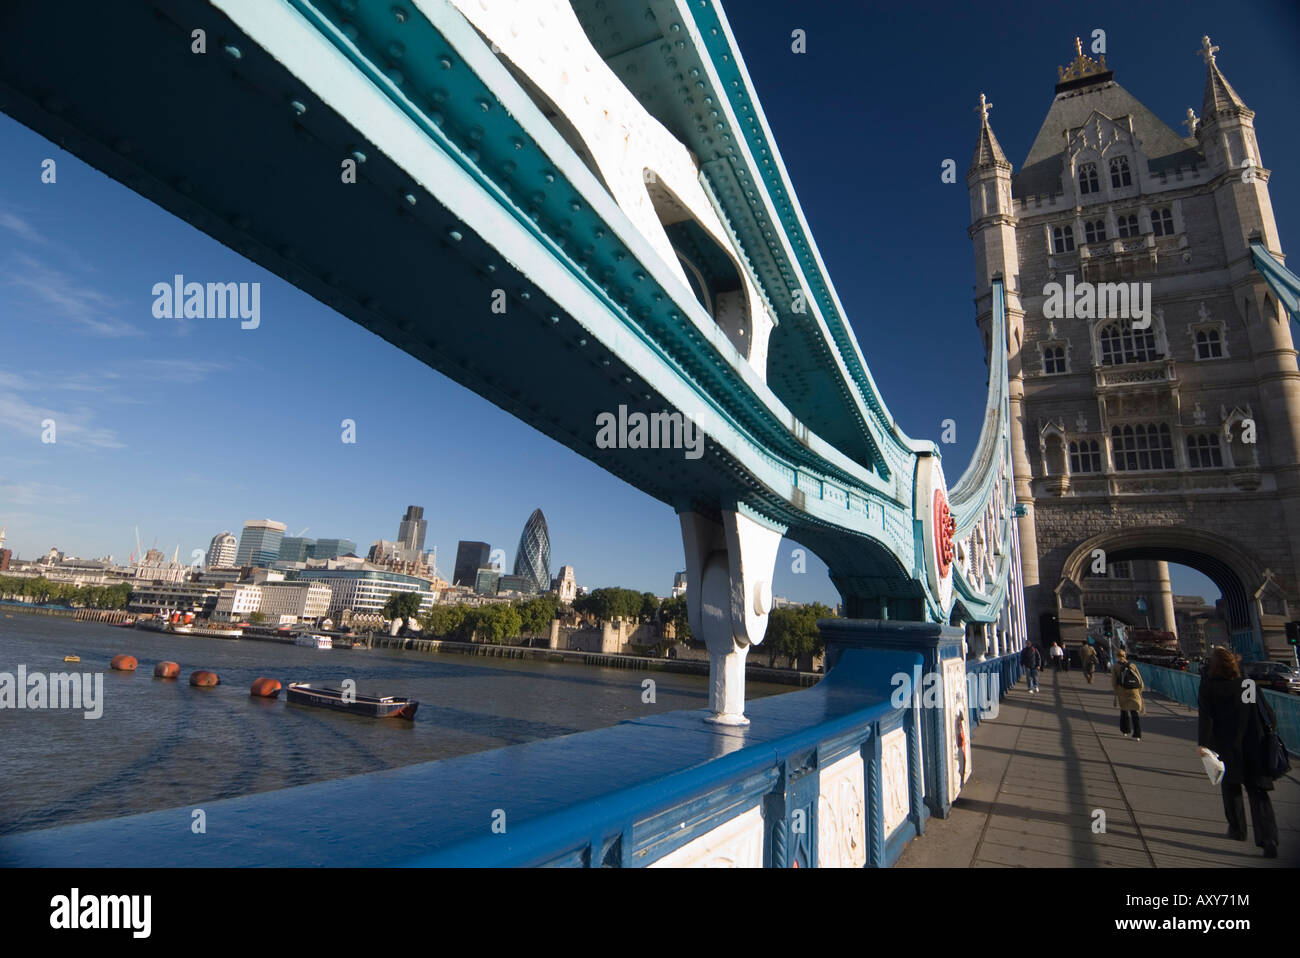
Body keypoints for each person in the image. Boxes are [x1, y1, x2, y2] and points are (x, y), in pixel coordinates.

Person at [1197, 646, 1279, 858]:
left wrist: (1203, 745)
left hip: (1225, 746)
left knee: (1231, 789)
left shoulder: (1209, 687)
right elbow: (1267, 714)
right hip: (1254, 745)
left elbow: (1206, 719)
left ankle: (1237, 830)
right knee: (1258, 793)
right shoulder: (1247, 685)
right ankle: (1268, 839)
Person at [1111, 649, 1144, 740]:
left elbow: (1114, 682)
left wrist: (1116, 692)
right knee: (1135, 713)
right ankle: (1137, 734)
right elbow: (1140, 681)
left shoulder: (1115, 666)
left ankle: (1125, 730)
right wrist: (1139, 691)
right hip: (1134, 691)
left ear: (1117, 656)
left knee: (1124, 711)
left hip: (1123, 691)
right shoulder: (1132, 665)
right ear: (1125, 656)